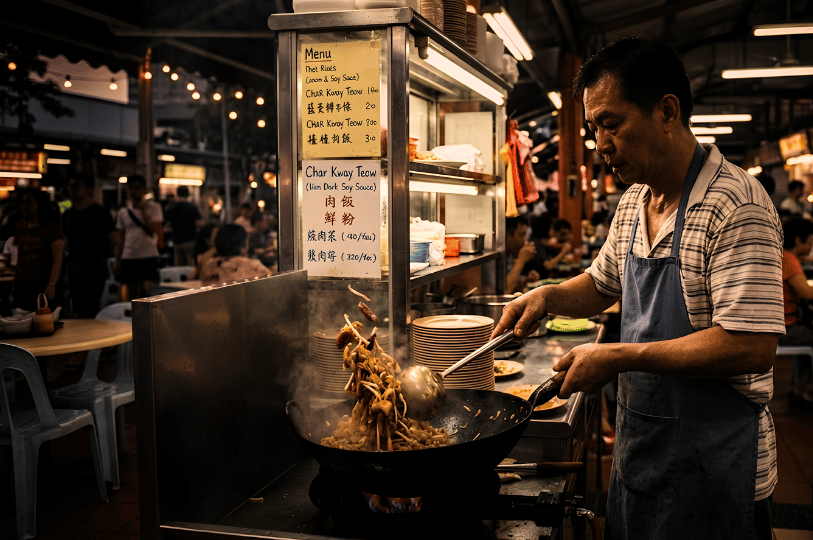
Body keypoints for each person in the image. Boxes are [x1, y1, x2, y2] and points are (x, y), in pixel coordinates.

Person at [492, 36, 782, 539]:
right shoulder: (635, 201)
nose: (600, 143)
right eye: (592, 128)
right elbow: (601, 284)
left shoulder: (736, 205)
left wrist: (619, 358)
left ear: (667, 112)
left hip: (717, 470)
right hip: (644, 454)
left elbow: (751, 345)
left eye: (611, 123)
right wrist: (548, 296)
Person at [62, 173, 118, 318]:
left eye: (76, 186)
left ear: (88, 189)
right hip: (74, 269)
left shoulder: (100, 212)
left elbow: (113, 239)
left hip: (94, 268)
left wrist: (112, 260)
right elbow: (65, 241)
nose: (71, 189)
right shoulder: (68, 213)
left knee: (92, 309)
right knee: (78, 309)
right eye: (70, 186)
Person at [12, 188, 65, 312]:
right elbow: (18, 256)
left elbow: (58, 260)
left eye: (29, 202)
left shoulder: (52, 228)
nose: (24, 206)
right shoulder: (21, 227)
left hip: (42, 282)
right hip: (22, 284)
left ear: (40, 204)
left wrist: (51, 285)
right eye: (22, 202)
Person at [778, 217, 813, 403]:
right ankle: (803, 389)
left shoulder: (785, 255)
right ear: (799, 240)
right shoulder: (788, 258)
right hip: (785, 327)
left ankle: (799, 386)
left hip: (783, 323)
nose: (811, 245)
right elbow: (807, 294)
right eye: (810, 241)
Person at [113, 175, 163, 300]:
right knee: (131, 293)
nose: (134, 191)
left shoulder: (154, 208)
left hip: (149, 255)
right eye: (131, 188)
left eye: (137, 188)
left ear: (144, 189)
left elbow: (154, 230)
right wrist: (117, 260)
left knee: (148, 293)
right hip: (129, 255)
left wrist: (144, 210)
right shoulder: (123, 211)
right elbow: (120, 238)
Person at [198, 224, 273, 286]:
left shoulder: (209, 265)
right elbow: (271, 284)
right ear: (242, 247)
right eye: (247, 241)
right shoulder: (253, 266)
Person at [164, 185, 203, 266]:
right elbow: (199, 223)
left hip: (177, 240)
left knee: (178, 266)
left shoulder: (171, 208)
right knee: (190, 264)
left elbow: (167, 225)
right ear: (188, 194)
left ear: (177, 194)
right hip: (190, 240)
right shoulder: (192, 207)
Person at [505, 216, 538, 294]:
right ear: (507, 235)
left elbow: (511, 285)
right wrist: (521, 261)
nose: (524, 241)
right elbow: (507, 291)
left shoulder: (510, 255)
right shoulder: (495, 257)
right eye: (521, 235)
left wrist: (525, 281)